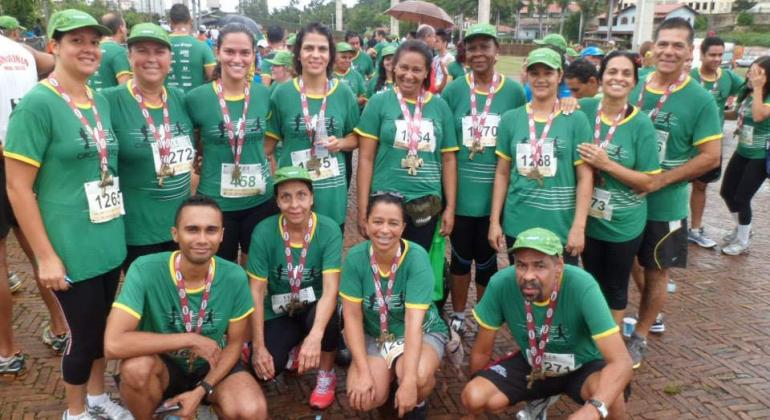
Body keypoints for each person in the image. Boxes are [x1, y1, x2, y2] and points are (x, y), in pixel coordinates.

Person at [4, 9, 131, 419]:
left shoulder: (99, 99)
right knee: (80, 336)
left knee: (99, 329)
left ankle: (96, 398)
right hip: (70, 245)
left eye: (94, 41)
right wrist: (44, 255)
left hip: (107, 238)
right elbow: (18, 187)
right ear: (54, 47)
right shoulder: (38, 104)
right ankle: (74, 412)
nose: (88, 49)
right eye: (76, 41)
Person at [104, 196, 267, 420]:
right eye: (192, 229)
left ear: (221, 235)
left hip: (211, 365)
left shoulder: (234, 275)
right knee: (135, 370)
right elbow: (113, 344)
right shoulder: (144, 269)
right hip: (163, 366)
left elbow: (235, 344)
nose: (202, 239)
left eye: (210, 230)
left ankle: (201, 404)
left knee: (252, 411)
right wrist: (190, 339)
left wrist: (200, 391)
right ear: (175, 234)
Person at [627, 17, 722, 368]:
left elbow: (711, 157)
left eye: (677, 45)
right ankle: (647, 313)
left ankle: (640, 335)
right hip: (622, 199)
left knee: (656, 269)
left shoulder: (699, 99)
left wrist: (660, 181)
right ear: (652, 47)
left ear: (689, 52)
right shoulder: (633, 84)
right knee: (627, 263)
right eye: (663, 43)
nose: (668, 51)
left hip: (664, 203)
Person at [461, 227, 632, 419]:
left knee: (612, 397)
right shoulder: (501, 283)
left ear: (559, 265)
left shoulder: (583, 285)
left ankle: (549, 397)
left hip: (581, 366)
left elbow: (621, 362)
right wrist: (471, 413)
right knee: (474, 397)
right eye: (521, 265)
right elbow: (482, 351)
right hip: (533, 363)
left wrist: (592, 410)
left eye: (539, 266)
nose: (528, 276)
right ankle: (540, 397)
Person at [441, 23, 527, 336]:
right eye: (473, 48)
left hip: (496, 196)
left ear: (496, 51)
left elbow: (529, 126)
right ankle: (460, 314)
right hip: (461, 194)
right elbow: (445, 144)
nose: (478, 54)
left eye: (484, 47)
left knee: (489, 260)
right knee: (461, 259)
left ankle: (484, 313)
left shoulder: (514, 91)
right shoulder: (454, 90)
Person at [341, 192, 448, 419]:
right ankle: (388, 388)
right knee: (362, 397)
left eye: (393, 223)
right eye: (378, 221)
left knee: (416, 378)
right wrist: (362, 370)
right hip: (376, 334)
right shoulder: (355, 259)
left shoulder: (416, 258)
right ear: (366, 223)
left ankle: (418, 400)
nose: (384, 230)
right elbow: (351, 317)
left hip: (422, 331)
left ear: (403, 227)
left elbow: (413, 323)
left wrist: (408, 382)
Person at [247, 166, 343, 410]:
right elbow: (256, 292)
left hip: (316, 308)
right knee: (264, 372)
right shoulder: (263, 231)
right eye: (285, 197)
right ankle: (291, 348)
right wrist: (258, 347)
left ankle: (326, 374)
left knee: (331, 313)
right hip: (280, 310)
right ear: (277, 202)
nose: (294, 204)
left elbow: (331, 289)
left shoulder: (329, 229)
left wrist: (316, 336)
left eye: (301, 195)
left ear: (311, 198)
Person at [577, 51, 661, 326]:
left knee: (614, 287)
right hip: (587, 220)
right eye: (612, 71)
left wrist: (607, 164)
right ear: (600, 78)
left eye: (626, 73)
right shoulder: (585, 109)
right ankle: (592, 337)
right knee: (590, 281)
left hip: (622, 225)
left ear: (635, 83)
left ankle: (609, 350)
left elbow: (648, 182)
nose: (618, 78)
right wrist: (566, 99)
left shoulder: (641, 124)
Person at [488, 48, 593, 267]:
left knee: (561, 291)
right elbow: (502, 173)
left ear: (560, 75)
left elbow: (584, 177)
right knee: (523, 287)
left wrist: (579, 227)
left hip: (560, 226)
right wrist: (494, 221)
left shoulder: (575, 119)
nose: (541, 79)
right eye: (535, 73)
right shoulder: (511, 119)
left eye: (548, 72)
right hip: (519, 222)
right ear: (526, 75)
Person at [355, 40, 459, 253]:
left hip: (426, 202)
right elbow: (365, 159)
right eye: (403, 67)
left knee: (416, 262)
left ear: (427, 72)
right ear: (394, 67)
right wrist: (362, 208)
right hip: (384, 201)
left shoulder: (440, 107)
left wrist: (450, 208)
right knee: (384, 263)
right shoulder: (378, 102)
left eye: (416, 69)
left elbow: (449, 160)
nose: (408, 75)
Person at [104, 23, 193, 269]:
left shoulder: (180, 99)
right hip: (138, 233)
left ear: (170, 59)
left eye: (159, 52)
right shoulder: (109, 101)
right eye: (142, 50)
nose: (151, 59)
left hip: (183, 228)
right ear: (129, 56)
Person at [186, 23, 277, 263]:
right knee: (220, 270)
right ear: (217, 52)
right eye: (230, 51)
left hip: (259, 200)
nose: (237, 59)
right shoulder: (197, 98)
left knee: (254, 268)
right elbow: (189, 143)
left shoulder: (264, 95)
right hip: (215, 203)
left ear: (253, 55)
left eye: (245, 52)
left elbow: (273, 140)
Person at [265, 22, 360, 229]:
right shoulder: (282, 93)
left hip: (331, 192)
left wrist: (341, 142)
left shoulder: (344, 94)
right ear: (298, 54)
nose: (315, 55)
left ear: (330, 55)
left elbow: (355, 138)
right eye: (309, 48)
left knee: (328, 251)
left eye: (322, 49)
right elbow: (267, 146)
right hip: (293, 194)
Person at [688, 36, 745, 248]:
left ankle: (695, 229)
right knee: (671, 186)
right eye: (712, 54)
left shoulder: (728, 77)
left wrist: (742, 112)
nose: (717, 59)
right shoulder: (689, 77)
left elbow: (752, 88)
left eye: (720, 55)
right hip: (685, 145)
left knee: (701, 186)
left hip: (710, 144)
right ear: (701, 55)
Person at [720, 57, 770, 255]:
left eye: (758, 73)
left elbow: (758, 116)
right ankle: (742, 229)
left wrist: (758, 89)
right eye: (751, 71)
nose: (751, 76)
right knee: (726, 192)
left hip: (759, 155)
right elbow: (738, 114)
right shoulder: (748, 94)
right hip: (742, 150)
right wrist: (717, 111)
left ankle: (742, 241)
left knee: (742, 197)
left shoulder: (765, 98)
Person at [167, 3, 216, 93]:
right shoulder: (202, 46)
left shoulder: (160, 45)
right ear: (190, 21)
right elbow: (213, 78)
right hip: (195, 104)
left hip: (166, 104)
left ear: (171, 22)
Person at [88, 12, 131, 90]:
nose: (126, 31)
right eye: (125, 27)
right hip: (111, 102)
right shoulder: (119, 52)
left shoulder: (89, 50)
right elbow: (125, 89)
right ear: (121, 28)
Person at [334, 42, 367, 107]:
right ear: (334, 57)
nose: (347, 60)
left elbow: (363, 95)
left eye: (350, 58)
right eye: (343, 57)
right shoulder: (328, 75)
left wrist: (360, 101)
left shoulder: (357, 75)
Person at [429, 28, 454, 94]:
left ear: (445, 43)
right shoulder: (434, 59)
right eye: (434, 40)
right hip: (433, 91)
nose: (434, 43)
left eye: (437, 41)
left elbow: (449, 80)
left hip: (442, 93)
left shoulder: (450, 59)